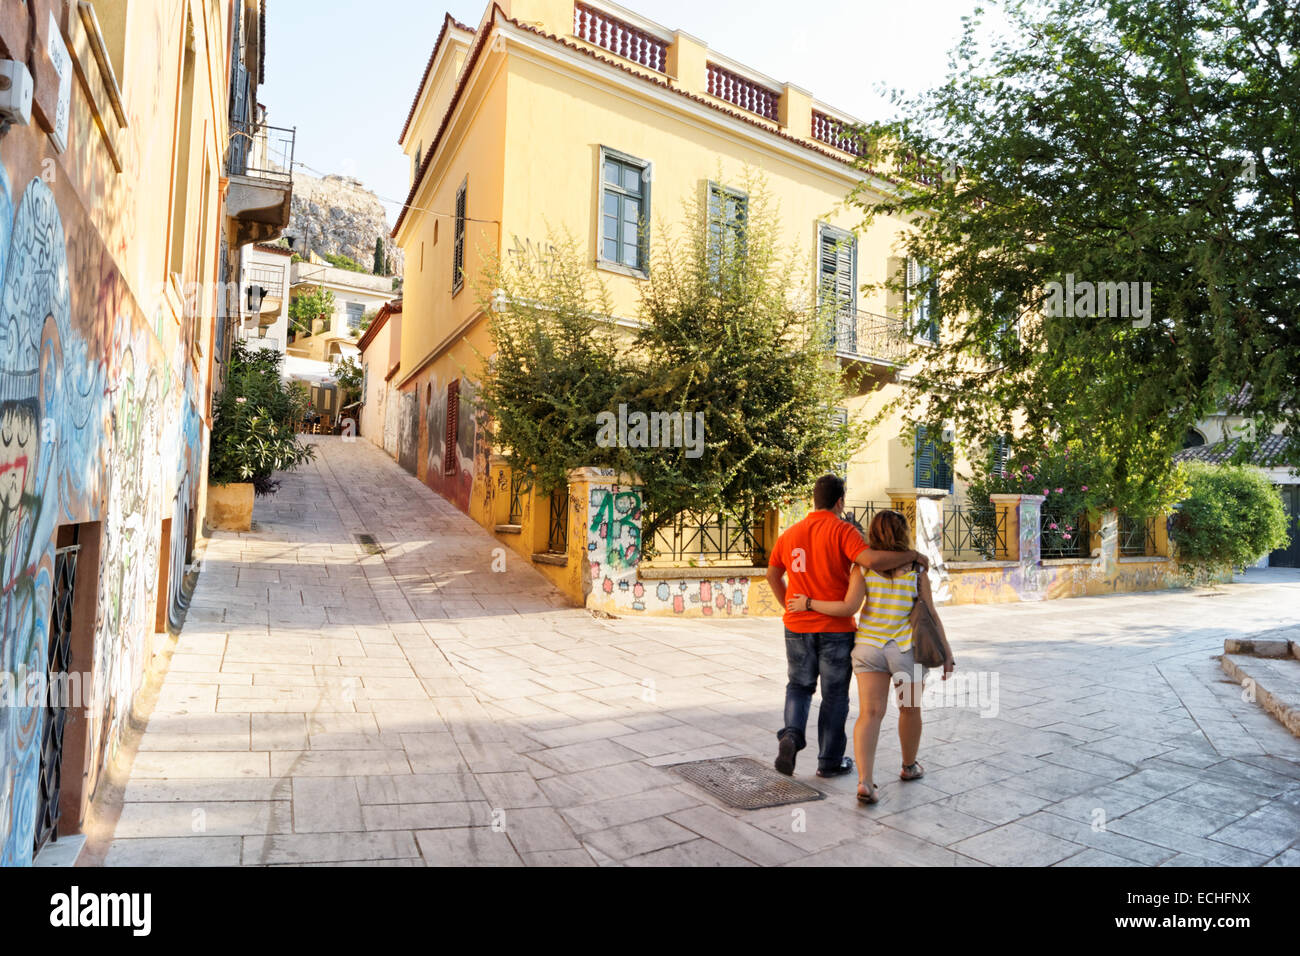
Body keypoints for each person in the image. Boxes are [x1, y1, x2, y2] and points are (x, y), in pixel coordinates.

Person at [765, 476, 930, 779]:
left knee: (799, 687)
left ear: (813, 499)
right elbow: (870, 560)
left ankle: (791, 734)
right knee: (835, 696)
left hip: (797, 624)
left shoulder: (789, 534)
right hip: (836, 627)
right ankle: (829, 762)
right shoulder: (842, 530)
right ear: (840, 501)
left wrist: (787, 604)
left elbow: (772, 573)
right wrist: (912, 555)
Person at [787, 509, 954, 804]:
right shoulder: (917, 571)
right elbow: (931, 614)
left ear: (873, 534)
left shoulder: (862, 569)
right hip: (905, 650)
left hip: (868, 649)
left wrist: (809, 603)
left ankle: (865, 782)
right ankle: (909, 766)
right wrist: (947, 654)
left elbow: (848, 608)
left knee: (870, 714)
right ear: (904, 534)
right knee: (910, 710)